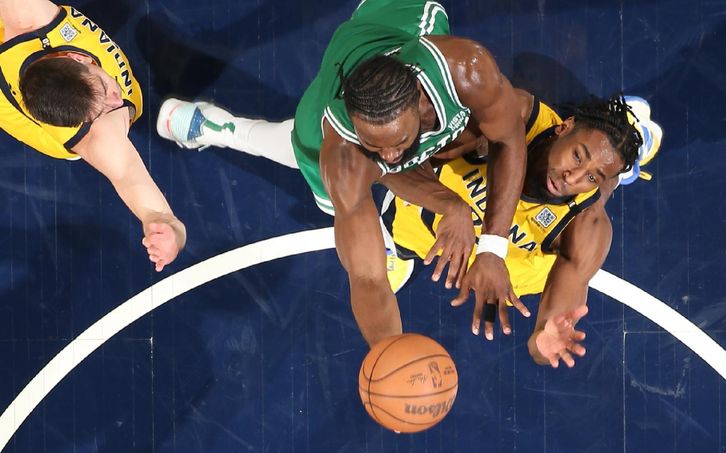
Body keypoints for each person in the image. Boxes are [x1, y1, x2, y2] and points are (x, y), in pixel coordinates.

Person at [156, 0, 530, 346]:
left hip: (389, 21)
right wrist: (388, 354)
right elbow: (367, 278)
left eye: (398, 141)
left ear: (419, 97)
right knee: (304, 151)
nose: (389, 154)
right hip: (320, 123)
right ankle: (220, 127)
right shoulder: (343, 152)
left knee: (487, 128)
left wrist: (493, 247)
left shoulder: (465, 70)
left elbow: (510, 140)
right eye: (376, 146)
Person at [383, 93, 662, 367]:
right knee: (403, 218)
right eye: (577, 156)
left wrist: (544, 339)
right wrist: (452, 206)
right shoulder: (513, 117)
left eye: (590, 176)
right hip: (436, 217)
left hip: (516, 263)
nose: (572, 177)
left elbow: (544, 343)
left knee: (597, 193)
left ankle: (625, 163)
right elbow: (394, 161)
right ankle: (402, 251)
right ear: (565, 126)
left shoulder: (587, 224)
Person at [0, 0, 185, 271]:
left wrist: (169, 229)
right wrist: (170, 230)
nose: (115, 99)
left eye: (102, 101)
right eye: (104, 90)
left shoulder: (100, 130)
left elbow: (133, 184)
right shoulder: (99, 130)